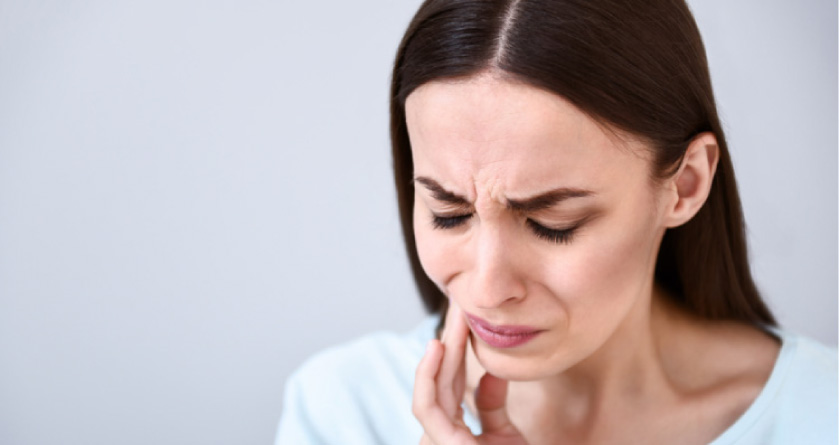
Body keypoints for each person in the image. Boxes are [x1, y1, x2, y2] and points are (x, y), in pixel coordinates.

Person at [276, 0, 837, 443]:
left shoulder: (820, 415)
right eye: (449, 215)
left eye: (552, 223)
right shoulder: (343, 409)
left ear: (685, 185)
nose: (488, 289)